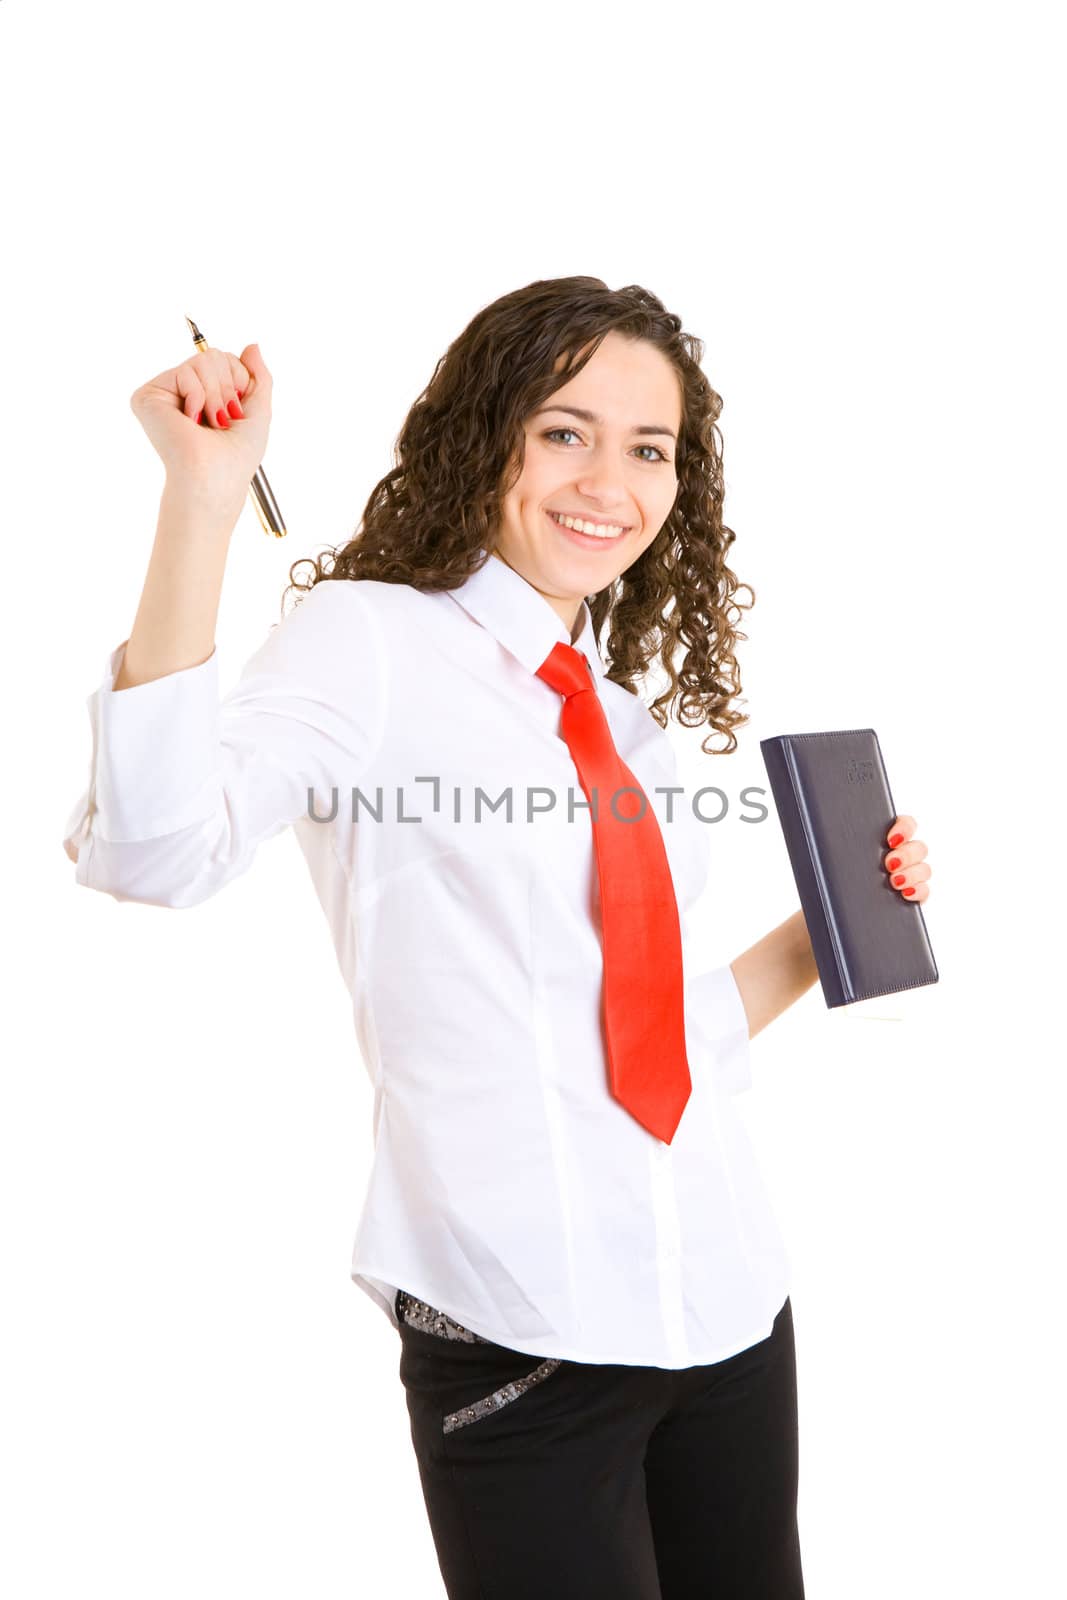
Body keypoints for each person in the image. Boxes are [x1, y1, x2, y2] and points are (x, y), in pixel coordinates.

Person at [62, 276, 933, 1599]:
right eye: (567, 430)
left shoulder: (619, 722)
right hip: (523, 1330)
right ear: (490, 434)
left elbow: (663, 1032)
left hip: (728, 1304)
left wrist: (834, 927)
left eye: (651, 449)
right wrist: (201, 497)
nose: (610, 482)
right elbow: (153, 848)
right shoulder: (368, 643)